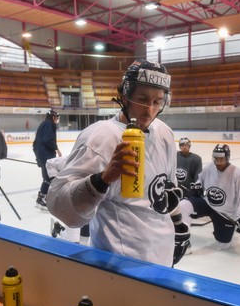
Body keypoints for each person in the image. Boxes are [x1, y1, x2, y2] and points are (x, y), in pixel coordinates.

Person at [46, 59, 190, 267]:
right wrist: (102, 180)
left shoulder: (164, 132)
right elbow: (60, 206)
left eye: (157, 101)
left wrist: (178, 225)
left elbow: (166, 189)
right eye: (142, 99)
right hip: (120, 265)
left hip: (163, 257)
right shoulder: (102, 136)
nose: (149, 109)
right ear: (126, 95)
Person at [180, 144, 240, 250]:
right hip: (207, 203)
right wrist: (197, 186)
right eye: (216, 159)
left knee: (223, 245)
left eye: (221, 159)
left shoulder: (238, 174)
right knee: (183, 205)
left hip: (225, 213)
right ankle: (183, 240)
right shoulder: (209, 167)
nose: (218, 162)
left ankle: (224, 230)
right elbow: (200, 180)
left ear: (227, 158)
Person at [33, 110, 61, 210]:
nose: (56, 120)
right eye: (56, 117)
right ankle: (42, 198)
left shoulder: (43, 124)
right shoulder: (50, 124)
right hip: (46, 154)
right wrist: (56, 148)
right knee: (50, 176)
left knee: (47, 176)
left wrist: (39, 157)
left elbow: (35, 143)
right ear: (53, 117)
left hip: (41, 154)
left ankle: (42, 196)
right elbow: (48, 139)